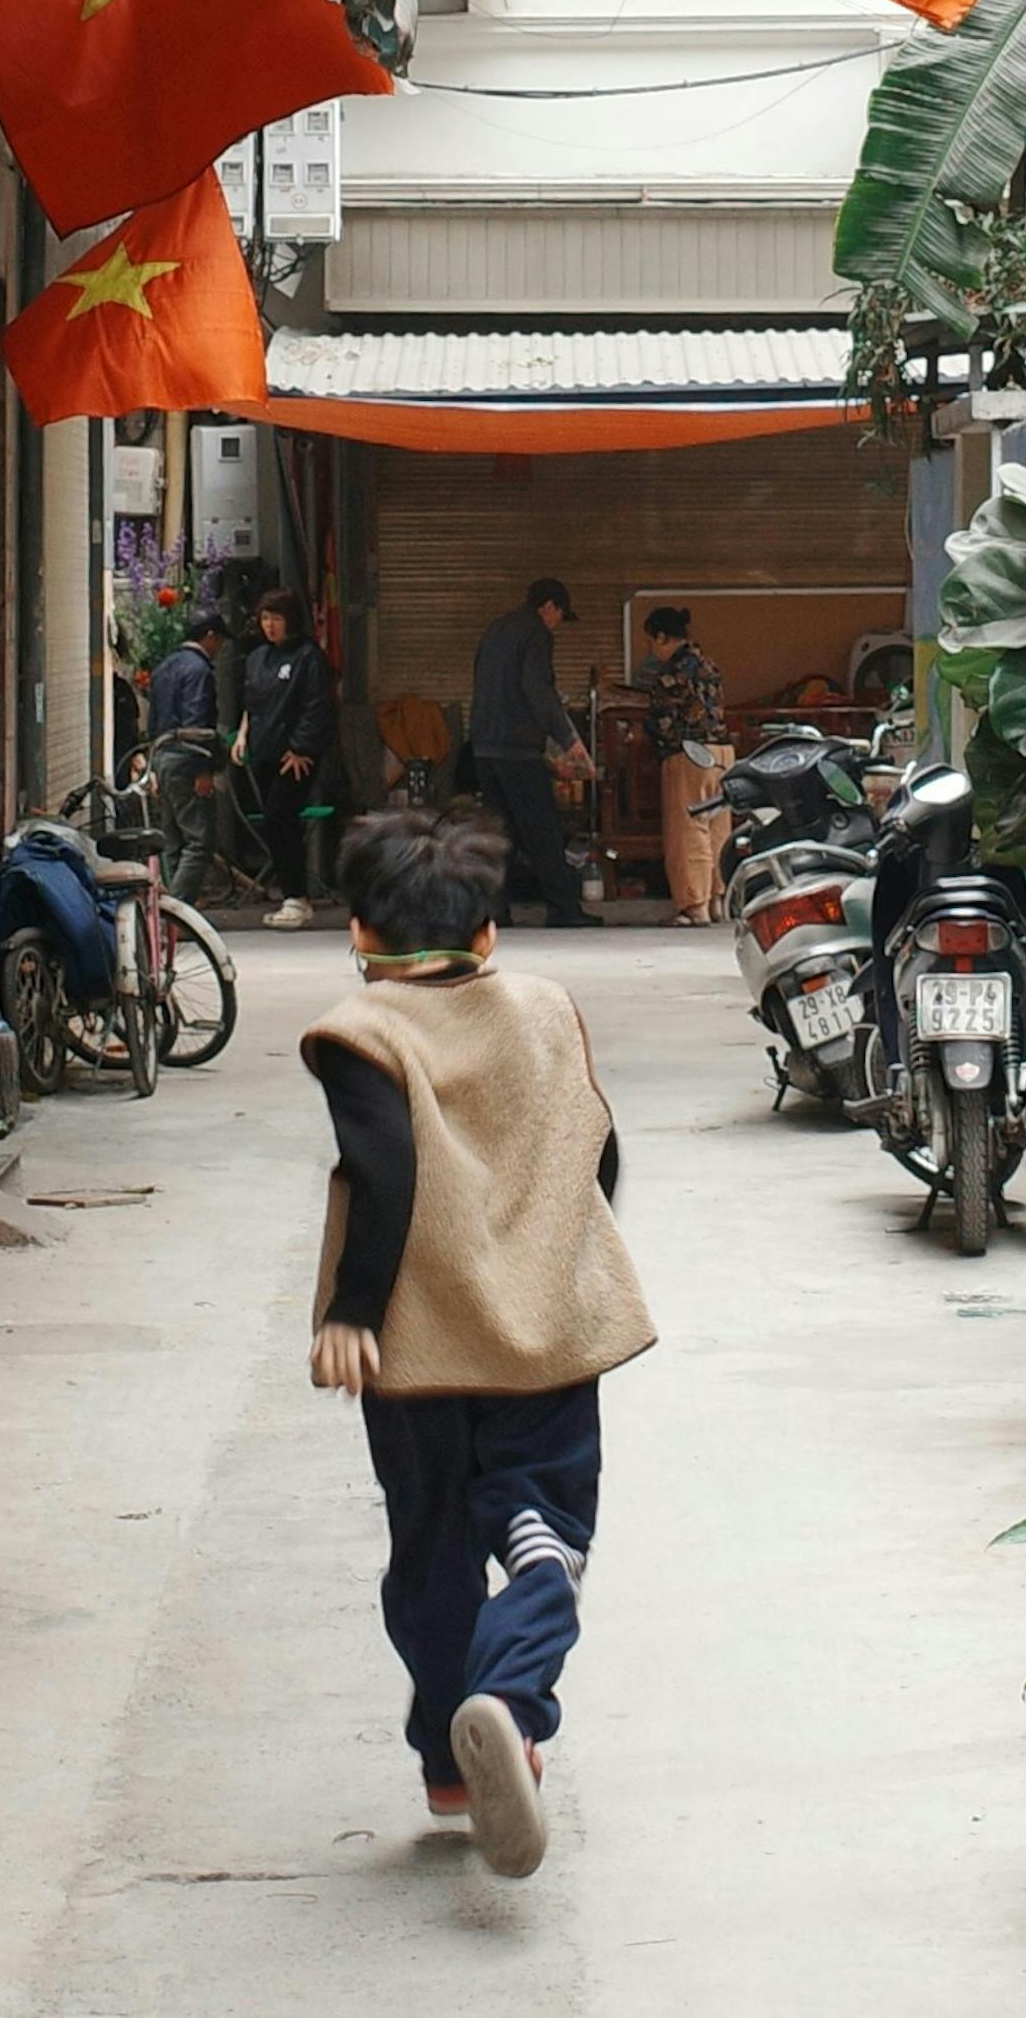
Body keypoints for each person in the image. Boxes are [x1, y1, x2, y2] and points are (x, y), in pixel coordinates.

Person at [302, 808, 654, 1879]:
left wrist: (353, 1311)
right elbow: (596, 1152)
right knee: (544, 1524)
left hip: (416, 1351)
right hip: (544, 1337)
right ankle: (509, 1695)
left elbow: (385, 1172)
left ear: (360, 934)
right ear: (488, 934)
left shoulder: (362, 1032)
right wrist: (560, 1254)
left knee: (431, 1545)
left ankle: (449, 1757)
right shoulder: (546, 1010)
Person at [469, 577, 596, 928]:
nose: (557, 623)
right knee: (542, 830)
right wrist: (570, 740)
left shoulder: (495, 630)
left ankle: (495, 910)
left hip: (485, 748)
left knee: (499, 832)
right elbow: (538, 689)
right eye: (560, 615)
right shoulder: (536, 633)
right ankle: (563, 908)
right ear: (549, 606)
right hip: (517, 750)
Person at [237, 585, 338, 931]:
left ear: (291, 620)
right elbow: (251, 704)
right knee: (275, 823)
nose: (270, 625)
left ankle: (297, 896)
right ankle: (292, 896)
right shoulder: (257, 658)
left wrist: (301, 748)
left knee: (282, 818)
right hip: (264, 752)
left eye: (276, 618)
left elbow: (317, 706)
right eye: (265, 618)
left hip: (294, 757)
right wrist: (242, 735)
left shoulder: (308, 657)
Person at [635, 606, 732, 925]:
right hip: (722, 752)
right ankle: (718, 901)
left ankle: (694, 906)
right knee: (717, 828)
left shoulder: (671, 673)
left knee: (689, 829)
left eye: (651, 641)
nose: (651, 648)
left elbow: (661, 720)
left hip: (689, 754)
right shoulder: (708, 665)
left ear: (662, 637)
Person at [147, 603, 231, 904]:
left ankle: (168, 908)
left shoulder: (164, 667)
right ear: (209, 636)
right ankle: (178, 909)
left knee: (172, 839)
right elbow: (197, 725)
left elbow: (154, 720)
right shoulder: (199, 670)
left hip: (162, 756)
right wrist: (204, 768)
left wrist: (153, 766)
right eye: (219, 639)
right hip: (186, 759)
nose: (220, 647)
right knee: (199, 840)